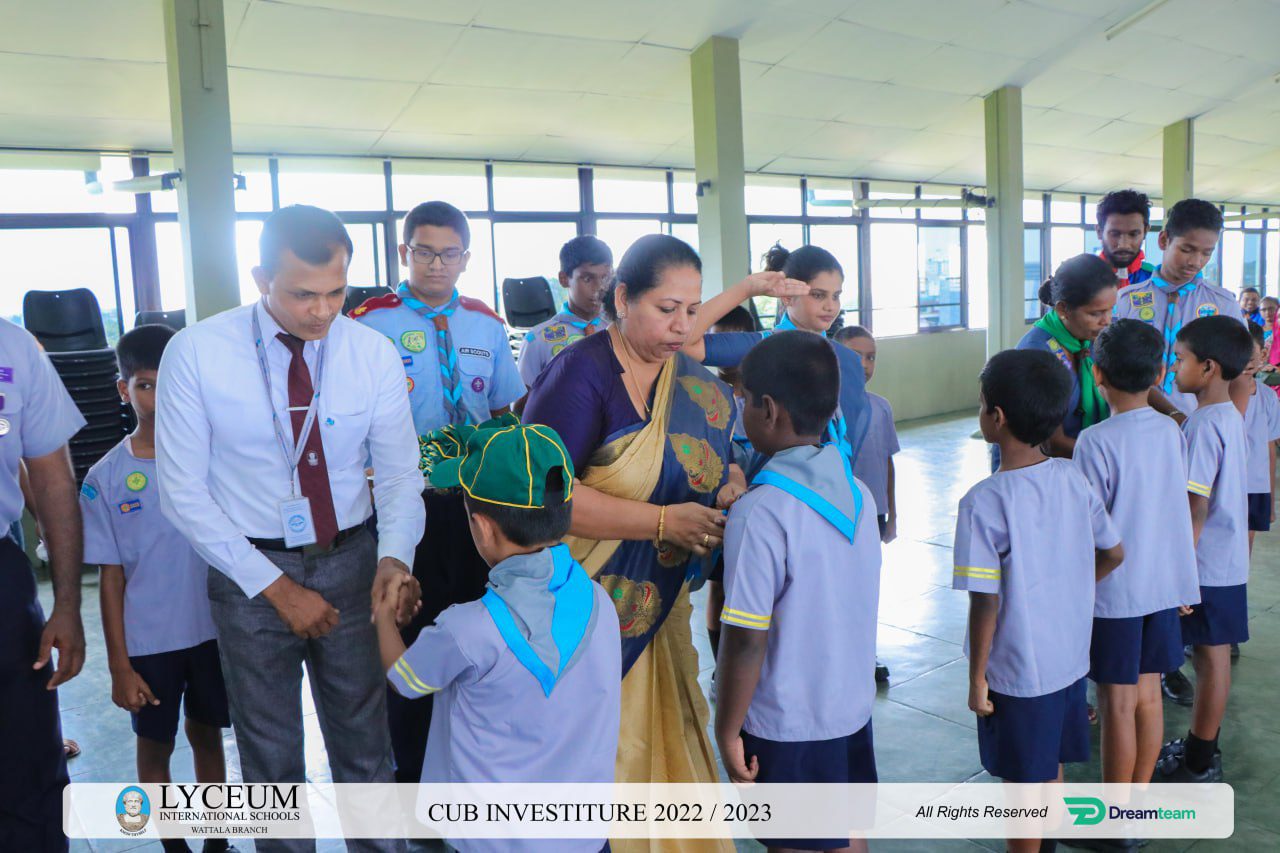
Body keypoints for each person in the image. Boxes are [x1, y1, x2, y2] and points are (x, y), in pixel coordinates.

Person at [156, 204, 425, 853]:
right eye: (303, 293)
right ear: (260, 278)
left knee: (365, 745)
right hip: (249, 572)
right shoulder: (197, 352)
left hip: (353, 560)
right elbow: (182, 493)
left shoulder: (371, 353)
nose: (322, 310)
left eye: (337, 291)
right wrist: (277, 588)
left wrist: (394, 557)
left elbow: (397, 475)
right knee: (271, 757)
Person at [525, 234, 801, 853]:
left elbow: (718, 456)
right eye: (666, 309)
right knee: (598, 759)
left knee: (663, 736)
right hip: (585, 605)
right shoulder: (580, 374)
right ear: (622, 299)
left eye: (691, 309)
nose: (682, 326)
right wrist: (660, 523)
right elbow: (542, 498)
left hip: (659, 603)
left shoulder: (686, 375)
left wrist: (728, 480)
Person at [377, 422, 620, 853]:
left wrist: (383, 614)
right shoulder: (601, 603)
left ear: (483, 528)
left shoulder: (468, 629)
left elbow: (403, 678)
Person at [350, 200, 524, 783]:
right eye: (424, 251)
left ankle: (468, 768)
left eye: (449, 254)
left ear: (466, 258)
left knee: (476, 631)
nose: (436, 264)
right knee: (411, 628)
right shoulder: (367, 323)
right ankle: (413, 775)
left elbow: (503, 414)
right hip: (403, 506)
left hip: (474, 510)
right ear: (404, 252)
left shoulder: (486, 324)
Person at [715, 332, 880, 853]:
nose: (738, 408)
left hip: (786, 721)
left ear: (767, 409)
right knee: (845, 832)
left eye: (741, 399)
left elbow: (744, 637)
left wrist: (727, 727)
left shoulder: (761, 510)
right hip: (849, 709)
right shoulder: (857, 492)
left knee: (794, 844)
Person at [954, 350, 1123, 853]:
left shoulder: (984, 501)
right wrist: (1070, 586)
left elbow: (985, 603)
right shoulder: (1074, 479)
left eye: (983, 405)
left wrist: (977, 678)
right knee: (1049, 768)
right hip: (1069, 661)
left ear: (997, 417)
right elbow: (1114, 552)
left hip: (1016, 672)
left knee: (1023, 790)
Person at [81, 325, 230, 853]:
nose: (159, 397)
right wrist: (120, 666)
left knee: (208, 736)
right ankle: (173, 844)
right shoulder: (106, 477)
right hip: (149, 644)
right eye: (145, 385)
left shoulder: (215, 461)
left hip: (213, 632)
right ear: (124, 390)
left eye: (170, 384)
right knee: (155, 746)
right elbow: (110, 579)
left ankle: (217, 841)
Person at [1073, 321, 1199, 812]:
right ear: (1158, 374)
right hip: (1162, 587)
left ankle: (1114, 817)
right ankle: (1137, 805)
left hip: (1115, 594)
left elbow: (1089, 526)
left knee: (1116, 704)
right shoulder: (1171, 430)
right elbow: (1174, 510)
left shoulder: (1095, 441)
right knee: (1147, 697)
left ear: (1097, 371)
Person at [0, 318, 87, 852]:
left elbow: (54, 479)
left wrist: (69, 605)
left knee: (30, 770)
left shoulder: (12, 348)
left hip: (1, 584)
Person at [1154, 316, 1253, 783]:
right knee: (1213, 660)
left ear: (1208, 367)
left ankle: (1197, 761)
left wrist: (1180, 575)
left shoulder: (1200, 426)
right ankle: (1201, 748)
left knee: (1208, 661)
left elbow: (1195, 509)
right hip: (1227, 561)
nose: (1174, 369)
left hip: (1205, 566)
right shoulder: (1229, 416)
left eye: (1180, 359)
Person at [687, 243, 873, 476]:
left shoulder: (847, 361)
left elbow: (851, 441)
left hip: (830, 491)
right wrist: (746, 289)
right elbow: (685, 340)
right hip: (772, 489)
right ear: (787, 297)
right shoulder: (763, 346)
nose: (830, 306)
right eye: (818, 295)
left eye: (836, 296)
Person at [1113, 198, 1237, 417]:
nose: (1196, 262)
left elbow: (1238, 376)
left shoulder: (1224, 305)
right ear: (1163, 240)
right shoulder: (1125, 301)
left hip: (1198, 425)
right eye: (1187, 249)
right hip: (1134, 422)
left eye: (1207, 253)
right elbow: (1113, 367)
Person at [835, 325, 897, 685]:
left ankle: (865, 651)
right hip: (839, 509)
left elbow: (888, 461)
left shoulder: (882, 407)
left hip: (873, 512)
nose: (864, 363)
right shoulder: (828, 410)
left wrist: (893, 514)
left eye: (870, 356)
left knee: (865, 584)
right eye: (854, 356)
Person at [1015, 254, 1118, 460]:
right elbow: (1052, 444)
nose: (1106, 321)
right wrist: (1112, 458)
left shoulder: (1092, 338)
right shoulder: (1037, 354)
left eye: (1110, 310)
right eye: (1096, 313)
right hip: (1046, 472)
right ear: (1063, 309)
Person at [703, 305, 756, 671]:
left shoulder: (764, 388)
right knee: (719, 587)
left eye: (736, 340)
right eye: (720, 340)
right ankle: (721, 670)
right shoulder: (704, 392)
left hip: (760, 505)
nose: (728, 351)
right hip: (721, 506)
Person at [517, 235, 613, 388]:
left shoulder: (620, 331)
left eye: (605, 278)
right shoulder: (537, 340)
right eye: (587, 279)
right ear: (563, 279)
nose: (599, 287)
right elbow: (520, 408)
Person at [1240, 322, 1280, 553]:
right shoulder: (1216, 394)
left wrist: (1271, 499)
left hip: (1255, 486)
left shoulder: (1267, 397)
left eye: (1249, 352)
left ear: (1263, 354)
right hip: (1222, 485)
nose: (1242, 359)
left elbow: (1270, 449)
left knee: (1247, 543)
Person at [1095, 190, 1156, 287]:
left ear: (1145, 232)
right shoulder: (1080, 278)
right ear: (1099, 232)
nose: (1124, 245)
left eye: (1133, 234)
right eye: (1114, 234)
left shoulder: (1155, 279)